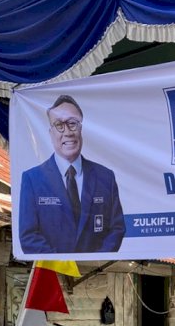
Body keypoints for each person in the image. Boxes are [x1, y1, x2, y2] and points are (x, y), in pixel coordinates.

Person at [18, 94, 125, 254]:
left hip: (94, 271)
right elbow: (28, 236)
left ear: (81, 128)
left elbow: (116, 228)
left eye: (73, 123)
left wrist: (91, 262)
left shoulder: (106, 177)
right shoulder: (32, 179)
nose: (67, 132)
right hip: (54, 273)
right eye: (59, 125)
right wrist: (64, 266)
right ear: (50, 132)